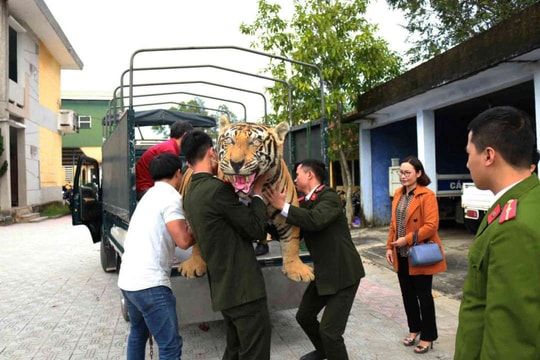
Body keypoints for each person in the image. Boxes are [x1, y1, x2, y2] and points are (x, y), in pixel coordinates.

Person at [454, 106, 540, 360]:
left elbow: (511, 340)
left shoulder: (515, 226)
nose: (468, 162)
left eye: (469, 153)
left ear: (489, 155)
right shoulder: (521, 203)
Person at [181, 130, 271, 360]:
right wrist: (258, 194)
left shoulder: (191, 193)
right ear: (212, 152)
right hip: (244, 291)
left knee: (235, 350)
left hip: (225, 290)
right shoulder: (217, 190)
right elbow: (255, 229)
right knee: (254, 352)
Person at [264, 158, 365, 360]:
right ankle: (325, 352)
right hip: (324, 273)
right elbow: (296, 231)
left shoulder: (329, 197)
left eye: (298, 174)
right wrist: (267, 223)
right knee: (304, 316)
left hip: (344, 274)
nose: (294, 179)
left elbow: (314, 221)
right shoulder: (305, 202)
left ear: (310, 175)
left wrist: (282, 205)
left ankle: (329, 350)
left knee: (330, 332)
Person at [118, 153, 195, 360]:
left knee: (138, 334)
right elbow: (184, 241)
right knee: (170, 346)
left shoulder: (148, 197)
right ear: (178, 173)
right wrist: (202, 228)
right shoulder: (171, 198)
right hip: (150, 285)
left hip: (128, 281)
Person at [385, 156, 447, 354]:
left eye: (407, 172)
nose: (403, 176)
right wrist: (389, 247)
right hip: (401, 253)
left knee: (423, 296)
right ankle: (414, 329)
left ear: (418, 174)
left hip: (418, 253)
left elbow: (431, 226)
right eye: (401, 172)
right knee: (407, 294)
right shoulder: (398, 194)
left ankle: (428, 336)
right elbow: (393, 224)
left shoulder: (426, 195)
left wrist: (408, 239)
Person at [136, 120, 193, 200]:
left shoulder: (168, 146)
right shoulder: (169, 150)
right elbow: (170, 182)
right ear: (185, 135)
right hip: (146, 189)